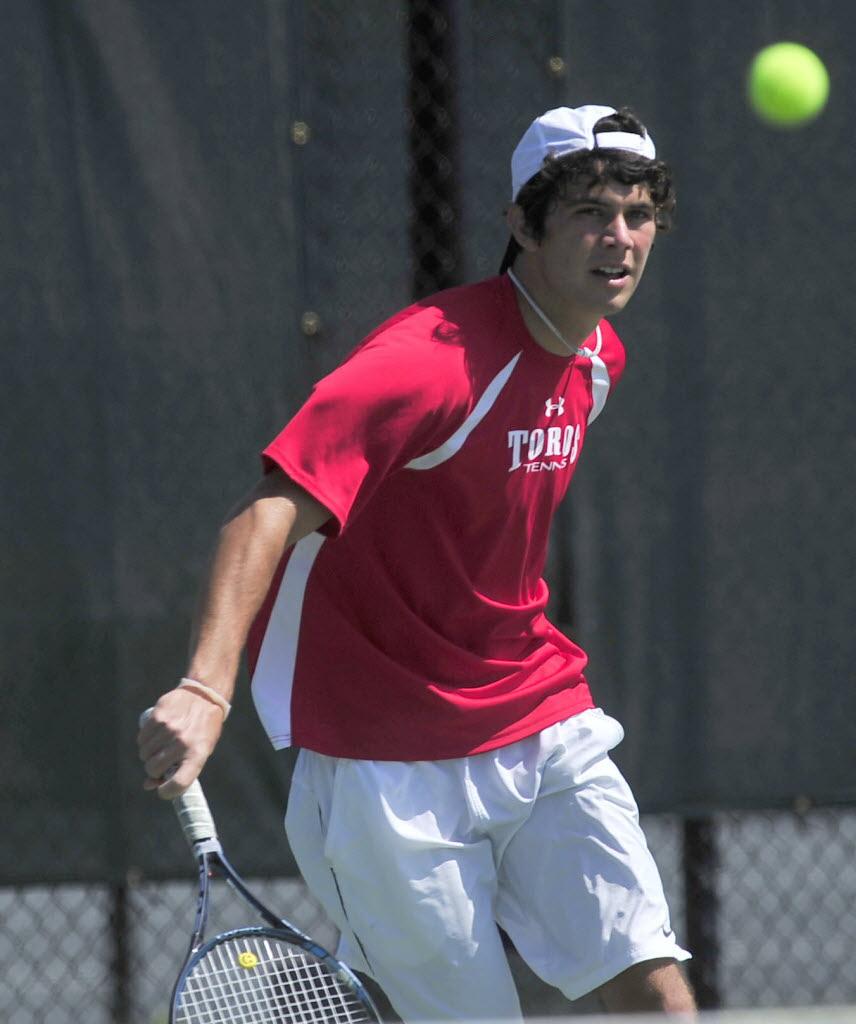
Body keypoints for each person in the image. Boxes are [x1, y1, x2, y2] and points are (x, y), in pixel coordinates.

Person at [138, 104, 696, 1020]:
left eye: (638, 216)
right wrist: (205, 689)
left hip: (537, 716)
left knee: (655, 991)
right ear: (523, 224)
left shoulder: (598, 359)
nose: (621, 239)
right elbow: (266, 512)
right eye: (592, 213)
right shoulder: (424, 365)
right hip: (383, 765)